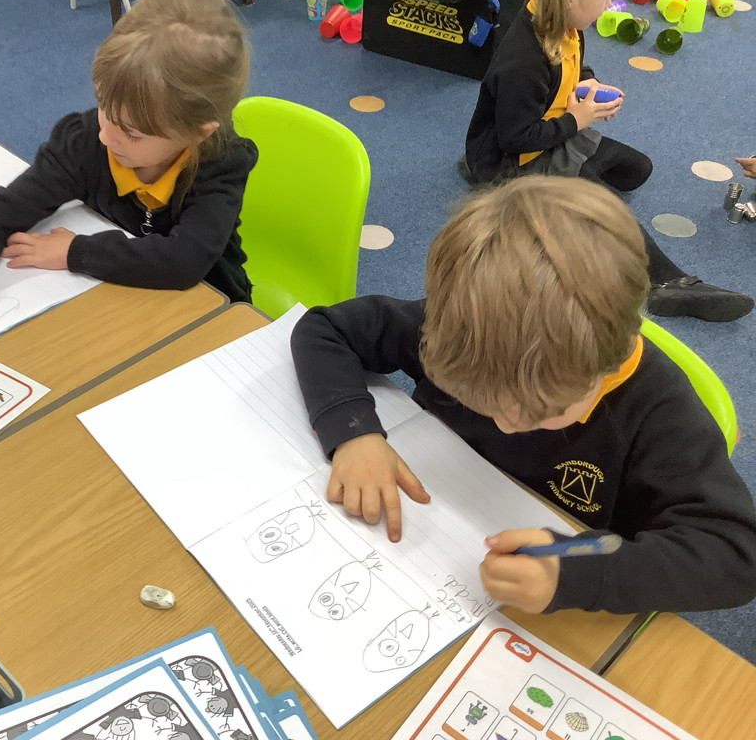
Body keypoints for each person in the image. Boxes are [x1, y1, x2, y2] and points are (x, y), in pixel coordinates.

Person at [290, 176, 756, 615]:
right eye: (477, 400)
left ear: (604, 368)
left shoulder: (660, 413)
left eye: (540, 411)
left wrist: (576, 576)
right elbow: (324, 329)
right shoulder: (465, 328)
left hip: (548, 601)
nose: (506, 424)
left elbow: (738, 555)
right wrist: (355, 434)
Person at [0, 0, 256, 337]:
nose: (106, 136)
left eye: (132, 133)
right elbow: (9, 208)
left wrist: (75, 251)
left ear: (197, 132)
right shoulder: (84, 141)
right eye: (104, 108)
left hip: (213, 312)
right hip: (119, 305)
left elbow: (185, 261)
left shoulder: (221, 163)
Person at [462, 0, 753, 322]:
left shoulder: (561, 20)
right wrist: (577, 121)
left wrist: (588, 82)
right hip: (515, 159)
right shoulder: (523, 58)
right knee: (608, 209)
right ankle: (666, 283)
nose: (609, 4)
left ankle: (567, 193)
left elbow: (572, 65)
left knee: (637, 169)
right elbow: (515, 138)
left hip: (553, 129)